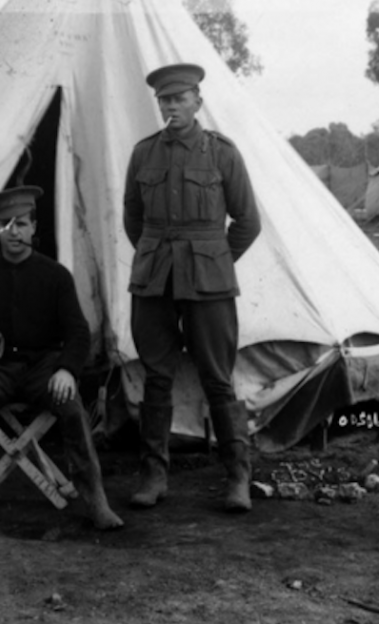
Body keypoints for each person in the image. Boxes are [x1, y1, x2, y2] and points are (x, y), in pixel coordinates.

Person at [0, 186, 124, 531]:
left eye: (21, 223)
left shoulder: (55, 276)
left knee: (71, 402)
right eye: (5, 224)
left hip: (43, 369)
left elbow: (77, 332)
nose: (14, 231)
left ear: (33, 228)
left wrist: (65, 370)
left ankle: (95, 500)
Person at [122, 63, 262, 513]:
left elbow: (247, 222)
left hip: (209, 283)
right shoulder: (144, 154)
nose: (171, 107)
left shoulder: (222, 153)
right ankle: (153, 475)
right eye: (164, 100)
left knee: (217, 379)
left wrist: (214, 261)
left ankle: (238, 476)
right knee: (157, 377)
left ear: (198, 102)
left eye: (179, 99)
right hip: (155, 279)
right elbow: (133, 218)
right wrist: (156, 256)